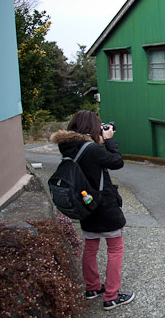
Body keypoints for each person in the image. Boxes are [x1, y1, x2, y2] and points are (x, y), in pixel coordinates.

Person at [50, 111, 135, 310]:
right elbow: (117, 162)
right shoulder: (92, 150)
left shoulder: (68, 147)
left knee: (90, 246)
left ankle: (92, 288)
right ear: (91, 128)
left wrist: (98, 140)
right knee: (115, 248)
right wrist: (108, 140)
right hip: (104, 206)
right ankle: (111, 297)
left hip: (85, 205)